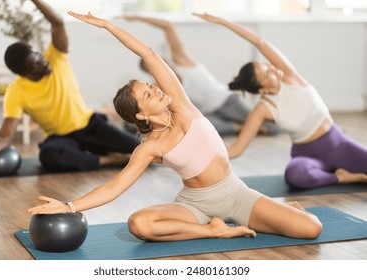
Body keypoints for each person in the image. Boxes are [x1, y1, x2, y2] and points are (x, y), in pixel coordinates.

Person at [27, 11, 322, 242]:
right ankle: (214, 231)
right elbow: (115, 186)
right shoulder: (150, 146)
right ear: (141, 116)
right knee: (139, 224)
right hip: (194, 205)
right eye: (147, 94)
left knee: (311, 228)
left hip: (235, 195)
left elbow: (149, 55)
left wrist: (108, 26)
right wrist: (70, 206)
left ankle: (266, 213)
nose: (155, 88)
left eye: (150, 85)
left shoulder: (182, 106)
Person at [194, 13, 367, 189]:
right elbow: (236, 149)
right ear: (262, 89)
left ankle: (336, 169)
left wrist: (225, 22)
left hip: (338, 144)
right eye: (267, 73)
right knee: (295, 175)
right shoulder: (262, 109)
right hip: (307, 155)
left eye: (266, 65)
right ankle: (342, 178)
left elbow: (260, 42)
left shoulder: (290, 76)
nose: (272, 68)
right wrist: (201, 156)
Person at [0, 0, 139, 173]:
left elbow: (58, 22)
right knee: (49, 155)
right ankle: (109, 160)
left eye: (38, 55)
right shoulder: (16, 91)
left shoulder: (56, 57)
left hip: (91, 126)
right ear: (24, 74)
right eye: (34, 65)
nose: (43, 62)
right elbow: (5, 134)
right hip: (62, 138)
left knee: (138, 149)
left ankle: (91, 156)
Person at [121, 15, 280, 136]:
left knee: (272, 128)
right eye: (150, 68)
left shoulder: (180, 59)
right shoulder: (159, 86)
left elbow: (168, 26)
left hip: (226, 101)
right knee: (198, 126)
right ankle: (239, 127)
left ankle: (249, 125)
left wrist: (136, 17)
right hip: (209, 112)